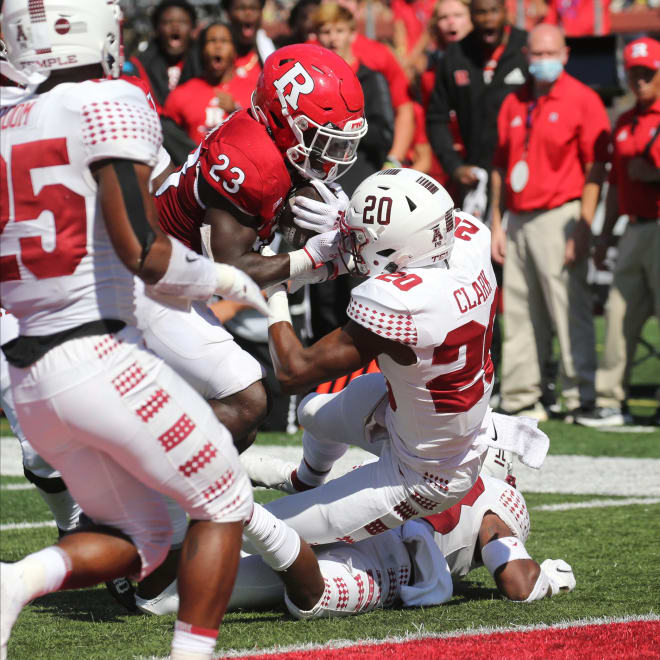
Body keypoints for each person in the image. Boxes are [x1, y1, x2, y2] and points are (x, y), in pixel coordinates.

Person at [0, 1, 268, 658]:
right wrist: (223, 281)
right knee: (223, 499)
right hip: (97, 352)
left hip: (27, 375)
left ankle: (12, 582)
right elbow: (143, 252)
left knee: (147, 538)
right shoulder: (108, 99)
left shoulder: (6, 121)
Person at [253, 167, 500, 548]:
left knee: (255, 530)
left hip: (423, 474)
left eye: (360, 240)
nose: (351, 244)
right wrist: (351, 228)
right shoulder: (468, 242)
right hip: (427, 415)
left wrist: (277, 290)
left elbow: (292, 372)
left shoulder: (405, 306)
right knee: (312, 414)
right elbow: (402, 249)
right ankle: (304, 479)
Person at [145, 43, 367, 457]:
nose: (335, 157)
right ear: (283, 121)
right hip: (152, 283)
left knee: (241, 401)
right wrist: (311, 258)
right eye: (323, 140)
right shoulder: (248, 160)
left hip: (178, 280)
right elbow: (228, 269)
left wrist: (320, 248)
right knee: (247, 401)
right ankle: (135, 476)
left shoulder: (271, 144)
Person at [490, 24, 610, 420]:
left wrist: (584, 223)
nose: (543, 62)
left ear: (566, 53)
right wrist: (496, 221)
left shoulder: (583, 99)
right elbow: (500, 165)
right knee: (520, 312)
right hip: (519, 218)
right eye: (536, 55)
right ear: (525, 56)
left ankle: (581, 395)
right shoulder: (513, 102)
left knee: (568, 308)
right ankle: (522, 395)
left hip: (561, 213)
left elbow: (596, 167)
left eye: (550, 54)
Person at [576, 37, 660, 428]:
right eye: (635, 73)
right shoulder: (625, 121)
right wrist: (605, 235)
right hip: (634, 229)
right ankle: (612, 401)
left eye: (649, 73)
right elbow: (615, 187)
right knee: (618, 314)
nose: (640, 81)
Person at [426, 0, 527, 207]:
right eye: (481, 12)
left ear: (505, 12)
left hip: (522, 175)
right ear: (471, 15)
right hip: (477, 178)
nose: (488, 19)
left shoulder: (525, 48)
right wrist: (454, 166)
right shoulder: (455, 56)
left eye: (493, 11)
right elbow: (436, 118)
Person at [123, 0, 202, 163]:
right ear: (157, 29)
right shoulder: (139, 66)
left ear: (193, 28)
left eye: (182, 22)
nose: (175, 27)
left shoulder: (206, 63)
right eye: (167, 22)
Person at [163, 21, 258, 144]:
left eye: (224, 41)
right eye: (212, 41)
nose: (218, 46)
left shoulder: (255, 93)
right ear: (202, 51)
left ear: (235, 51)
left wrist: (237, 111)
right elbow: (170, 142)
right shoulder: (179, 96)